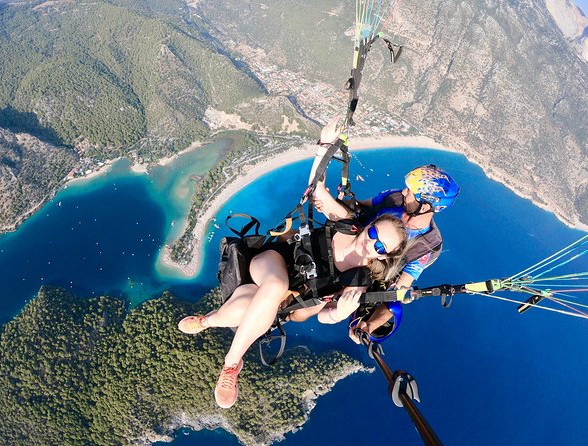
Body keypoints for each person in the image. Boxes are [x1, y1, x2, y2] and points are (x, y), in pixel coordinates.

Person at [177, 213, 408, 409]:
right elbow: (317, 190)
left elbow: (324, 316)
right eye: (373, 234)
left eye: (379, 246)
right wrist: (321, 161)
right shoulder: (345, 224)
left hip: (277, 301)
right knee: (277, 285)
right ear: (369, 225)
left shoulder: (359, 279)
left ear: (383, 256)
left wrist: (340, 312)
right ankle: (231, 364)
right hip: (271, 263)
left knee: (247, 307)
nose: (370, 243)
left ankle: (206, 321)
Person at [307, 117, 460, 343]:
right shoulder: (395, 198)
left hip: (364, 275)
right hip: (351, 243)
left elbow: (397, 291)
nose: (405, 193)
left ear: (426, 206)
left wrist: (370, 326)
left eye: (411, 192)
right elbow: (360, 208)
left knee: (386, 299)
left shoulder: (427, 245)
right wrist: (335, 206)